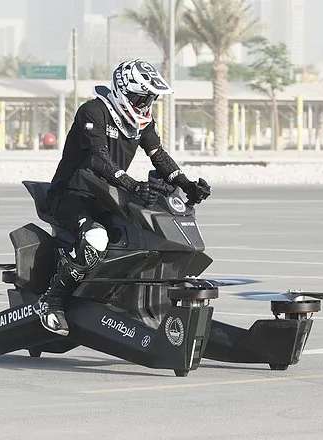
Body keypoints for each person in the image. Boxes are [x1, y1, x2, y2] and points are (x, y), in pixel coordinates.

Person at [34, 59, 211, 336]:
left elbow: (158, 155)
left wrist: (187, 184)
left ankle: (132, 301)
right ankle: (51, 300)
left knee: (140, 236)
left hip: (106, 197)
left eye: (149, 99)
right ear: (122, 91)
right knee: (96, 238)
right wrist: (132, 185)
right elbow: (99, 159)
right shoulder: (93, 111)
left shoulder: (142, 122)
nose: (144, 104)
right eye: (141, 98)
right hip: (72, 194)